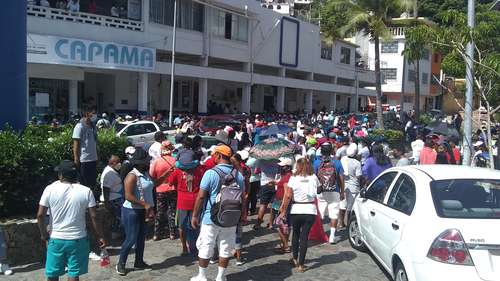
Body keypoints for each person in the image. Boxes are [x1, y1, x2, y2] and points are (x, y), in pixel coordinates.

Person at [37, 160, 106, 281]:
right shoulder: (86, 191)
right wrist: (100, 236)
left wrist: (44, 235)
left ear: (61, 175)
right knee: (73, 274)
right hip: (78, 239)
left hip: (56, 238)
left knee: (53, 274)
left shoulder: (50, 189)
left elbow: (40, 215)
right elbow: (94, 216)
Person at [190, 144, 245, 281]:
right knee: (226, 248)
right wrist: (241, 216)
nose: (213, 156)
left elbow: (201, 196)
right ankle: (220, 277)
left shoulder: (210, 173)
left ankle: (202, 276)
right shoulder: (238, 175)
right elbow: (242, 198)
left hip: (211, 217)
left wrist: (195, 215)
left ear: (219, 156)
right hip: (231, 217)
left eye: (214, 154)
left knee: (206, 246)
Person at [117, 149, 155, 276]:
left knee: (141, 238)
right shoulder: (132, 176)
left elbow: (153, 185)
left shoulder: (146, 174)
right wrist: (144, 204)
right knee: (131, 238)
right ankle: (120, 264)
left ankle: (139, 262)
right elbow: (128, 196)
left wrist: (165, 176)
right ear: (139, 163)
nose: (148, 163)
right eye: (146, 162)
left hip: (143, 210)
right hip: (132, 211)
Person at [279, 157, 319, 273]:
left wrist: (283, 211)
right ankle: (301, 265)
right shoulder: (313, 177)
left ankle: (295, 258)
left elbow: (288, 196)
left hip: (296, 209)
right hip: (310, 209)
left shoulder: (294, 178)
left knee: (295, 234)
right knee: (304, 237)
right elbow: (319, 189)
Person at [169, 149, 206, 256]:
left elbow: (171, 183)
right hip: (197, 201)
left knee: (182, 226)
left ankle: (185, 248)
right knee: (196, 224)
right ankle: (195, 246)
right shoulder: (199, 171)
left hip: (182, 202)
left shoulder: (177, 171)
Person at [313, 142, 345, 243]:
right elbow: (341, 178)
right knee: (334, 214)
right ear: (331, 150)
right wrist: (342, 191)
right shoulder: (337, 162)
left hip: (321, 191)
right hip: (334, 191)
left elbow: (314, 177)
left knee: (320, 213)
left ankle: (318, 234)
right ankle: (332, 237)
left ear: (321, 151)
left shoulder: (317, 162)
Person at [149, 141, 177, 241]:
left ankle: (156, 234)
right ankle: (172, 234)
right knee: (171, 211)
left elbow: (151, 175)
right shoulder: (174, 160)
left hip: (160, 189)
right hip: (173, 189)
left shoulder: (156, 162)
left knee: (160, 212)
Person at [72, 109, 99, 200]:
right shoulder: (79, 126)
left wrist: (96, 156)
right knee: (84, 184)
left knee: (92, 183)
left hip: (93, 159)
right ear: (87, 114)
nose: (95, 115)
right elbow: (76, 144)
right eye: (93, 113)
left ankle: (91, 201)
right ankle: (83, 201)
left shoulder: (93, 126)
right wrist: (76, 159)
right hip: (84, 160)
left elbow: (95, 143)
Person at [273, 157, 293, 254]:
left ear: (288, 167)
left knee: (280, 224)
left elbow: (287, 194)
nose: (281, 168)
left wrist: (283, 208)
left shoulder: (287, 177)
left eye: (283, 166)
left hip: (282, 202)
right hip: (283, 202)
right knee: (285, 225)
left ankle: (286, 245)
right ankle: (284, 244)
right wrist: (276, 182)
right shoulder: (288, 176)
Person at [101, 155, 124, 238]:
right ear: (113, 163)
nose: (120, 164)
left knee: (117, 217)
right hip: (113, 199)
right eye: (118, 162)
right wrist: (107, 202)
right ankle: (116, 234)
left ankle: (117, 233)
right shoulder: (109, 173)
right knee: (118, 217)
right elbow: (106, 188)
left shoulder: (112, 171)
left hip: (116, 197)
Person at [254, 159, 280, 230]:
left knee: (263, 205)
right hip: (274, 183)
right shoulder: (277, 159)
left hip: (264, 184)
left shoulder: (261, 160)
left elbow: (256, 171)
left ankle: (258, 224)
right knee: (273, 205)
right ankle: (271, 224)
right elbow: (279, 171)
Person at [340, 143, 362, 219]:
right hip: (354, 187)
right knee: (350, 207)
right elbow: (358, 176)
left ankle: (341, 222)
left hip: (343, 185)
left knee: (342, 205)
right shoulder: (357, 163)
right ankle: (348, 223)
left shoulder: (342, 159)